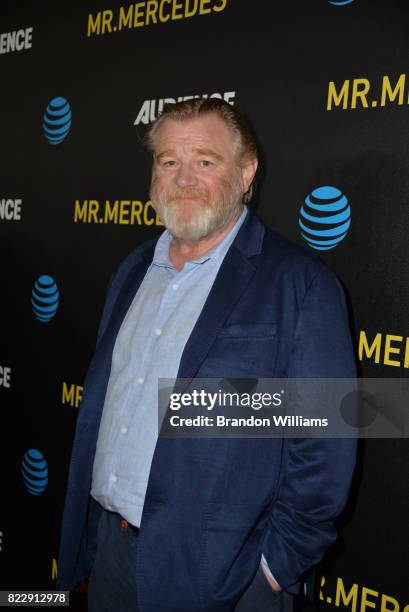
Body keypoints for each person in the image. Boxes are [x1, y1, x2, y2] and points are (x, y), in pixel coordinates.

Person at [56, 98, 357, 611]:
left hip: (223, 580)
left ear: (246, 171)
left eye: (205, 161)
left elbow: (326, 445)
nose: (183, 178)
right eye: (168, 161)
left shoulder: (301, 286)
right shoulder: (130, 273)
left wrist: (272, 572)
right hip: (111, 555)